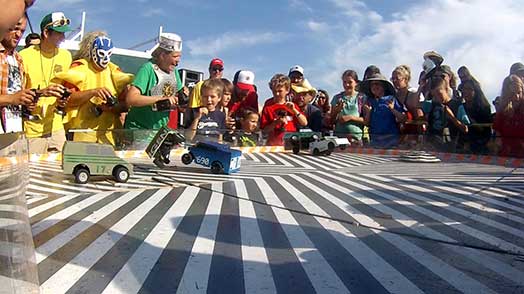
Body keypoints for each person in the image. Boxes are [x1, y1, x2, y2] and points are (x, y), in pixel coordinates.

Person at [53, 32, 133, 145]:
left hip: (108, 135)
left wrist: (110, 107)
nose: (104, 58)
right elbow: (68, 100)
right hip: (82, 132)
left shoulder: (115, 72)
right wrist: (92, 92)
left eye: (108, 54)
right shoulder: (79, 68)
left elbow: (126, 105)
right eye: (101, 53)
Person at [19, 12, 72, 153]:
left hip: (56, 127)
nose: (63, 37)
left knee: (61, 171)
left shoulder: (66, 56)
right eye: (59, 33)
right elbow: (18, 94)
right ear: (46, 33)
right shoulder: (24, 56)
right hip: (32, 129)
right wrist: (42, 93)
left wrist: (63, 101)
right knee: (33, 172)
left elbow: (66, 87)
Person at [124, 33, 183, 141]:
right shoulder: (148, 69)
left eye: (179, 56)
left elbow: (180, 99)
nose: (178, 61)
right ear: (162, 55)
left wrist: (183, 101)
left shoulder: (174, 72)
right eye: (175, 56)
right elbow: (131, 98)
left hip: (159, 132)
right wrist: (160, 99)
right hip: (139, 131)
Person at [0, 16, 37, 134]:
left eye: (22, 31)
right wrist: (12, 99)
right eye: (15, 29)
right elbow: (13, 97)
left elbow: (15, 94)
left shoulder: (18, 58)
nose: (18, 34)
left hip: (14, 131)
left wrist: (25, 103)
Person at [360, 73, 406, 148]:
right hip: (374, 142)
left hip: (391, 141)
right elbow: (366, 123)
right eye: (372, 85)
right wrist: (368, 112)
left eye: (377, 84)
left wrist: (392, 109)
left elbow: (403, 118)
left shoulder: (391, 99)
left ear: (384, 86)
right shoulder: (369, 102)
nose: (375, 86)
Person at [260, 74, 307, 146]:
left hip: (291, 144)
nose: (277, 94)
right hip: (273, 145)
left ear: (287, 90)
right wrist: (276, 123)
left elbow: (304, 123)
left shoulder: (292, 105)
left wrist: (294, 110)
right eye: (274, 91)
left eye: (280, 91)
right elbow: (264, 130)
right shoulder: (268, 106)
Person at [426, 77, 470, 152]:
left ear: (446, 89)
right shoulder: (432, 105)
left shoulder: (457, 105)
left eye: (439, 94)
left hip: (451, 146)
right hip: (433, 146)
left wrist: (452, 117)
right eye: (434, 95)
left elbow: (465, 129)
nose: (437, 98)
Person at [493, 75, 524, 157]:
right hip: (506, 158)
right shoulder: (501, 113)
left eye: (519, 93)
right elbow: (497, 139)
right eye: (512, 94)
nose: (517, 97)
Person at [330, 70, 365, 143]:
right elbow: (331, 121)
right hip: (338, 139)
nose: (347, 85)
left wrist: (350, 118)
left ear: (356, 83)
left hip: (356, 139)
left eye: (350, 82)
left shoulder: (362, 98)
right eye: (344, 82)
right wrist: (337, 111)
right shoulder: (336, 98)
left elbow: (367, 121)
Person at [186, 58, 224, 125]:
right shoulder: (200, 85)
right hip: (201, 123)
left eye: (220, 69)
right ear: (209, 70)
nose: (217, 71)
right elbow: (192, 109)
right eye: (214, 69)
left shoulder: (224, 86)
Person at [187, 78, 226, 142]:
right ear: (201, 97)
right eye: (205, 96)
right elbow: (188, 137)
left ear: (219, 98)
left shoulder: (221, 115)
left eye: (212, 96)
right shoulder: (194, 112)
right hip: (197, 147)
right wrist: (197, 119)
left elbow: (220, 137)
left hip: (213, 148)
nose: (208, 100)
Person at [459, 79, 492, 153]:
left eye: (469, 89)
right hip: (461, 146)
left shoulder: (484, 108)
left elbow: (486, 130)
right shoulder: (460, 107)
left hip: (479, 146)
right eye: (464, 89)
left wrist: (472, 123)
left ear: (476, 92)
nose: (465, 91)